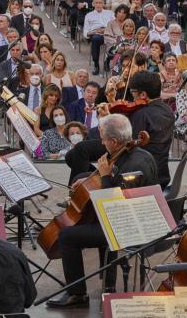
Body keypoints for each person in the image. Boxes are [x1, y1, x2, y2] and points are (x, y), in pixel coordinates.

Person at [48, 114, 159, 308]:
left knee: (66, 235)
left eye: (104, 140)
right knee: (93, 218)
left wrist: (105, 176)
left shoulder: (134, 166)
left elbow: (113, 206)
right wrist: (93, 177)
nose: (101, 143)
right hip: (129, 218)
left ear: (115, 141)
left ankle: (77, 294)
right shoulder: (135, 154)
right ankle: (108, 285)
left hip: (130, 226)